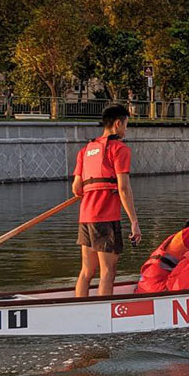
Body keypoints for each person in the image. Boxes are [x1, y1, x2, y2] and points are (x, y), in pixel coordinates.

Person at [72, 105, 141, 298]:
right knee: (107, 272)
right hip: (105, 218)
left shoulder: (85, 150)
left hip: (86, 218)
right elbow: (124, 188)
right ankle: (103, 316)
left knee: (86, 271)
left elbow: (76, 189)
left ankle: (79, 309)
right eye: (126, 125)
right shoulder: (119, 149)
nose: (126, 130)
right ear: (118, 124)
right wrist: (134, 222)